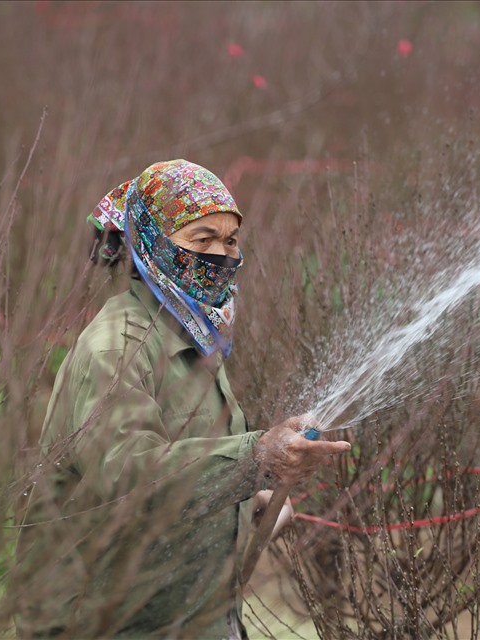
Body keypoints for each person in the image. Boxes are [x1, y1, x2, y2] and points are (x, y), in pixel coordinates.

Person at [17, 160, 349, 639]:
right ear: (152, 242)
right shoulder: (118, 346)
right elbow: (128, 474)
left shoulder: (191, 337)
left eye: (230, 241)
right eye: (202, 239)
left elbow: (186, 473)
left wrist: (246, 502)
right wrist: (254, 458)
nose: (221, 254)